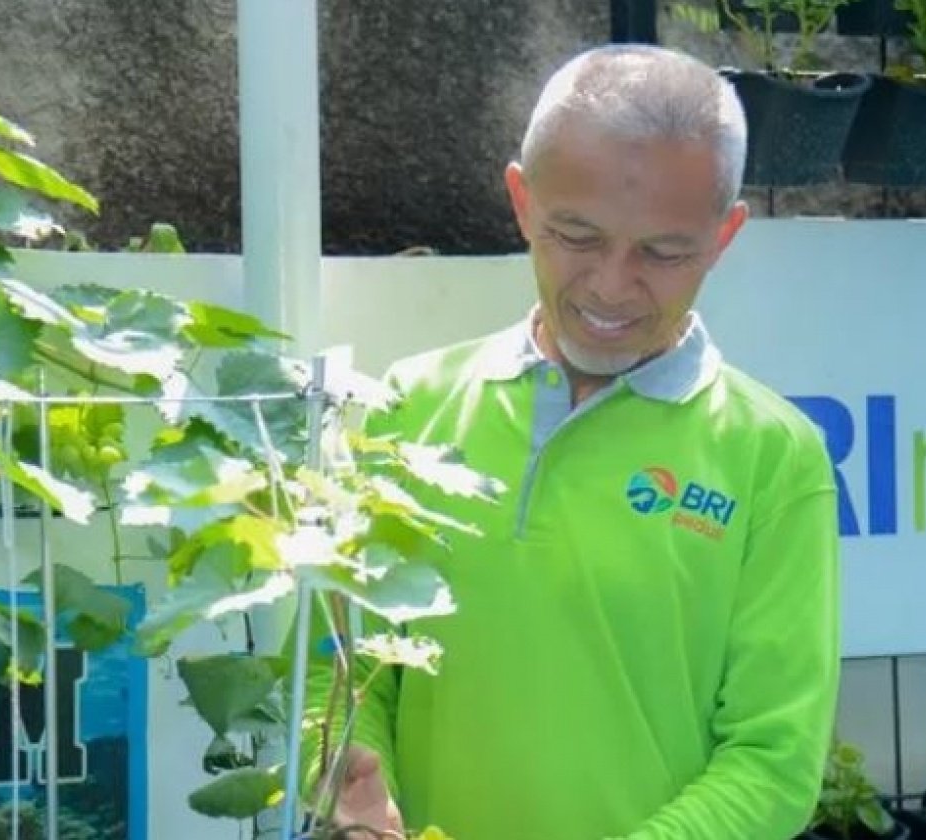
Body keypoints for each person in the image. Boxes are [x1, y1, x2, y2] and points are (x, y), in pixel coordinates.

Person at [296, 43, 841, 840]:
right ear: (522, 201)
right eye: (576, 236)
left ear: (724, 237)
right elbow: (337, 666)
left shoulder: (773, 457)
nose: (611, 286)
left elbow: (773, 762)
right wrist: (350, 781)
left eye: (664, 252)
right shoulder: (407, 407)